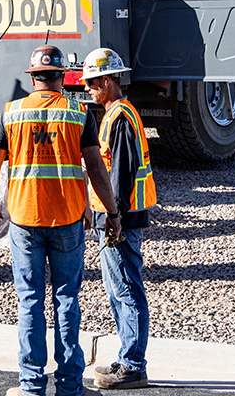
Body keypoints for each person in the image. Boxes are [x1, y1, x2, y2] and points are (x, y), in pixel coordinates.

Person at [0, 44, 122, 396]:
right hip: (67, 220)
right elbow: (96, 169)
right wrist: (112, 212)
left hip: (25, 221)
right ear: (61, 77)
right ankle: (71, 387)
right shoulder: (77, 113)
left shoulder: (12, 113)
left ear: (33, 79)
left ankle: (31, 387)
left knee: (29, 299)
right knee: (66, 299)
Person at [80, 47, 157, 391]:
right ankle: (129, 357)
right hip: (114, 216)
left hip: (120, 218)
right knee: (119, 288)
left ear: (109, 80)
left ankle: (133, 364)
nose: (88, 88)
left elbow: (121, 173)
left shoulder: (120, 117)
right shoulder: (115, 115)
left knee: (126, 288)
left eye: (93, 82)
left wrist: (115, 216)